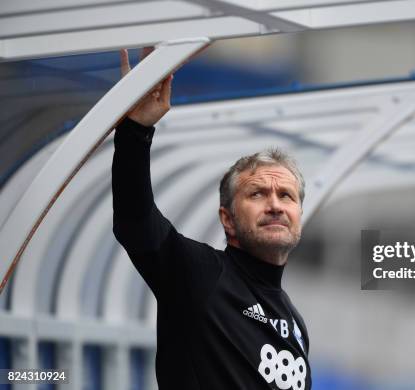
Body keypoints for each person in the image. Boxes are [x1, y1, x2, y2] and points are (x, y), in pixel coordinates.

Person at [112, 48, 311, 390]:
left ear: (299, 218)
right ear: (228, 220)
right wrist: (136, 130)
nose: (275, 205)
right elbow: (136, 223)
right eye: (257, 194)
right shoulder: (202, 275)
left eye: (286, 196)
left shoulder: (295, 322)